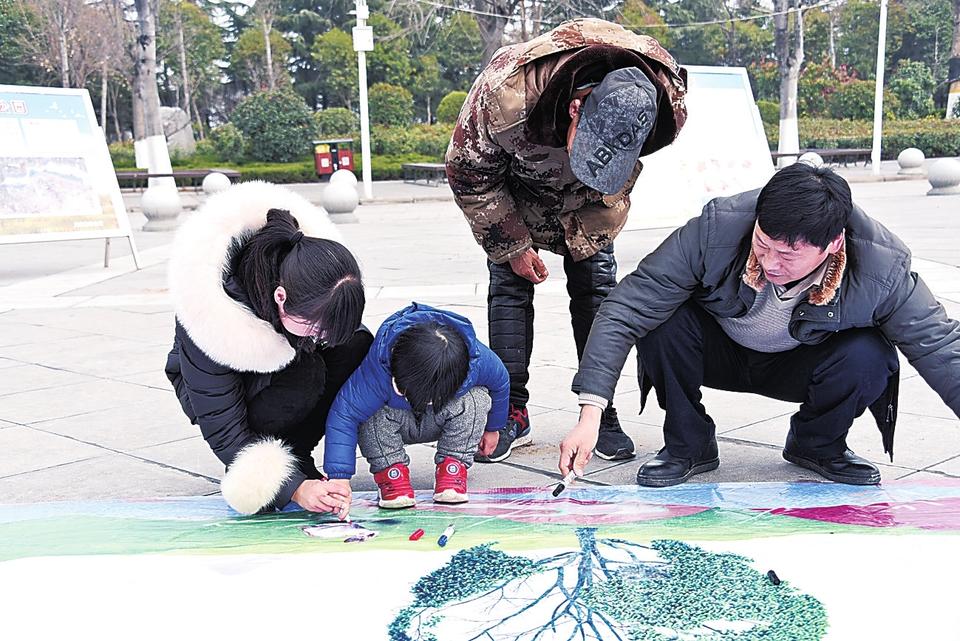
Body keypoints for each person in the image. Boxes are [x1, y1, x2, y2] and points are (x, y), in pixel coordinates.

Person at [559, 162, 960, 487]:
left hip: (801, 363)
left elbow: (940, 346)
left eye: (788, 254)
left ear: (833, 243)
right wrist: (591, 413)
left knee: (870, 355)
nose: (770, 263)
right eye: (763, 244)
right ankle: (689, 444)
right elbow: (625, 307)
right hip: (720, 350)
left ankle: (817, 444)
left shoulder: (882, 266)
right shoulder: (718, 226)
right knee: (663, 320)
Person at [446, 17, 688, 464]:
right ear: (575, 108)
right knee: (509, 285)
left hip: (595, 197)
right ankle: (508, 411)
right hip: (515, 188)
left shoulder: (667, 101)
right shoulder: (505, 96)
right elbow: (469, 175)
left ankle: (600, 411)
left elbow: (626, 172)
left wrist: (595, 205)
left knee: (598, 289)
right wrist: (514, 245)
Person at [165, 182, 372, 515]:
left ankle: (295, 457)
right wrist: (292, 488)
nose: (320, 339)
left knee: (356, 344)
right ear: (281, 298)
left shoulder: (307, 269)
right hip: (222, 392)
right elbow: (223, 426)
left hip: (284, 364)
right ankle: (278, 470)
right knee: (306, 377)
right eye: (316, 329)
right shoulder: (211, 312)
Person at [322, 303, 510, 511]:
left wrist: (493, 428)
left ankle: (452, 467)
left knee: (476, 399)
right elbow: (344, 414)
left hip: (443, 418)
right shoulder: (378, 368)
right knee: (368, 412)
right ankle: (391, 473)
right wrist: (339, 477)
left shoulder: (477, 360)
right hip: (395, 423)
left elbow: (500, 382)